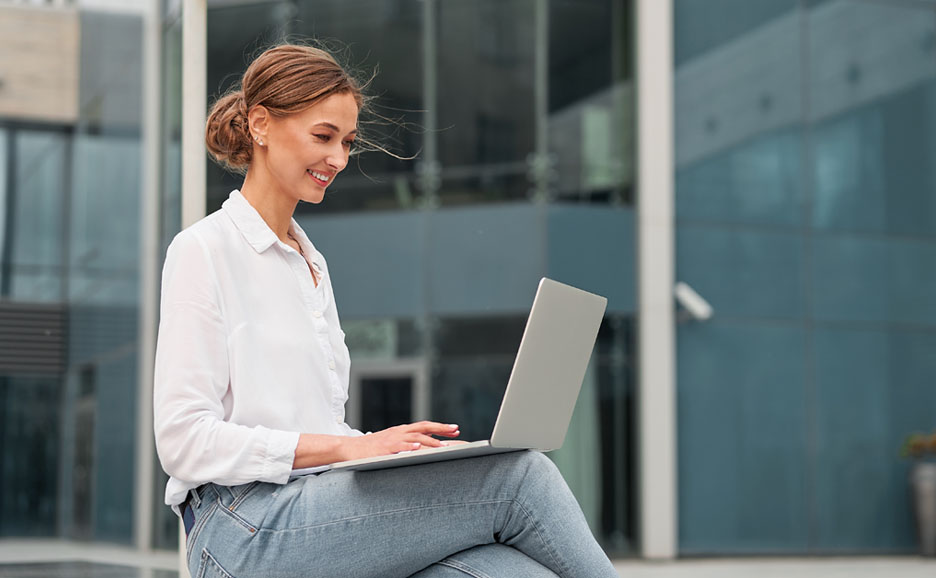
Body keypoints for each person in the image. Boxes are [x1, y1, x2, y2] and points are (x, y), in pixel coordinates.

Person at [153, 43, 618, 578]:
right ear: (260, 124)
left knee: (508, 570)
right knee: (517, 477)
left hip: (315, 508)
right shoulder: (203, 250)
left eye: (347, 143)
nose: (338, 159)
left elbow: (320, 429)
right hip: (241, 528)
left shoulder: (311, 264)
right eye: (323, 137)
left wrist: (408, 456)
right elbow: (183, 441)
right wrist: (352, 449)